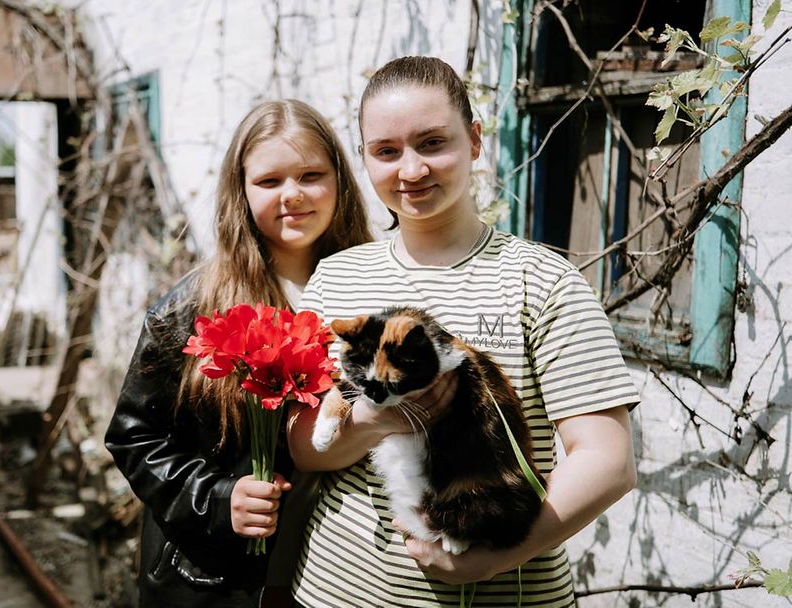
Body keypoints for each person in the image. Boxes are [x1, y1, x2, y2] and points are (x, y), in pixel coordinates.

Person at [287, 56, 639, 608]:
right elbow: (306, 448)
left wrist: (496, 556)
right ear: (364, 160)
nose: (410, 170)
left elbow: (608, 459)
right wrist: (379, 414)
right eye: (386, 151)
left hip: (506, 592)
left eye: (432, 143)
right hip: (336, 590)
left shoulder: (541, 280)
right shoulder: (337, 277)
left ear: (475, 140)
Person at [104, 99, 376, 607]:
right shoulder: (193, 309)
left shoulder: (373, 294)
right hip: (219, 579)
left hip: (343, 573)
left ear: (339, 180)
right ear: (241, 191)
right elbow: (132, 436)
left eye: (310, 175)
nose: (292, 195)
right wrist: (217, 498)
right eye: (269, 181)